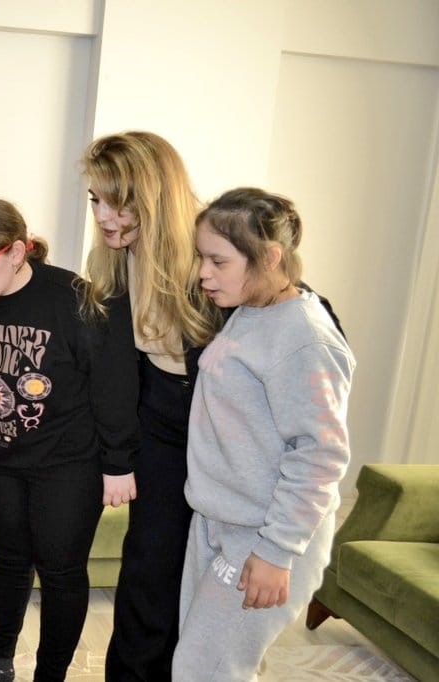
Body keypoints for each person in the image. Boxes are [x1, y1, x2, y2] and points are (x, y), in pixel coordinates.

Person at [0, 199, 139, 682]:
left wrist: (118, 462)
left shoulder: (72, 298)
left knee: (62, 571)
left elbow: (112, 384)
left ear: (17, 252)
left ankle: (50, 675)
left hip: (68, 465)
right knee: (8, 559)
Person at [172, 188, 355, 681]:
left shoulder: (305, 339)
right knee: (207, 664)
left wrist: (275, 554)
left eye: (217, 261)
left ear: (270, 257)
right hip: (220, 521)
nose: (203, 274)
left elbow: (321, 455)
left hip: (262, 535)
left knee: (202, 671)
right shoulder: (252, 310)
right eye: (201, 258)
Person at [82, 131, 219, 681]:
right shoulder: (116, 261)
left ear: (156, 196)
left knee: (212, 577)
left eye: (119, 200)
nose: (105, 215)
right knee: (148, 569)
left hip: (215, 423)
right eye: (95, 198)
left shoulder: (212, 252)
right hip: (158, 422)